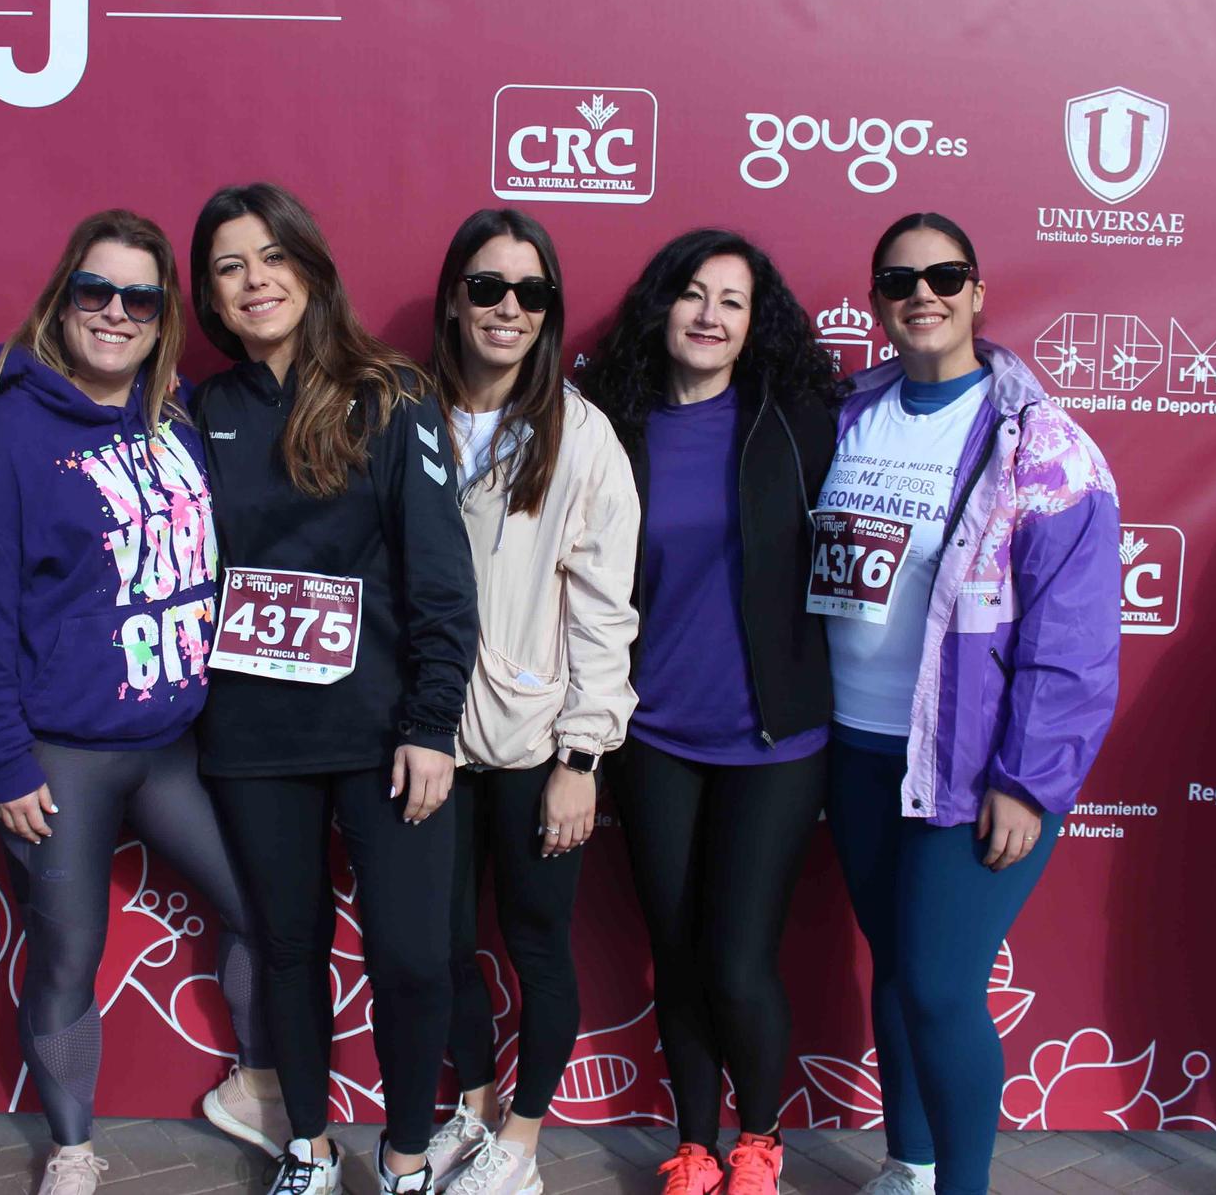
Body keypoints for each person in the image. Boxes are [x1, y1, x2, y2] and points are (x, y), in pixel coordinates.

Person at [0, 210, 282, 1195]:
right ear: (63, 298)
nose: (116, 313)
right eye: (97, 290)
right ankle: (73, 1148)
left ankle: (254, 1086)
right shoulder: (9, 435)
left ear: (162, 314)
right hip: (60, 755)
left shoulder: (171, 417)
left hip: (173, 740)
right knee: (66, 951)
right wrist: (1, 757)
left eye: (140, 297)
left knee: (267, 904)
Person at [818, 213, 1118, 1195]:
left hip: (971, 765)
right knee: (899, 974)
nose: (922, 293)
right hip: (859, 748)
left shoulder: (1040, 441)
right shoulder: (844, 414)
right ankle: (905, 1167)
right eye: (898, 277)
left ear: (977, 291)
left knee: (943, 986)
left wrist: (1027, 783)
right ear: (874, 301)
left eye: (944, 274)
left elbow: (1071, 641)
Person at [189, 183, 480, 1195]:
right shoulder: (199, 413)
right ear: (211, 297)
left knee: (409, 955)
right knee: (285, 948)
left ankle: (402, 1156)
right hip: (253, 740)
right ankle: (306, 1146)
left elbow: (441, 575)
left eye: (271, 256)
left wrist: (431, 723)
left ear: (310, 268)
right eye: (230, 266)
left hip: (383, 735)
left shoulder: (391, 394)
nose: (255, 280)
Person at [578, 230, 843, 1195]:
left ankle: (761, 1139)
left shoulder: (797, 420)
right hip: (652, 735)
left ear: (752, 323)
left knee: (736, 960)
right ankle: (694, 1145)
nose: (709, 314)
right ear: (663, 306)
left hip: (773, 738)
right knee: (678, 955)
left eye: (732, 300)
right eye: (693, 293)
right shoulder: (614, 424)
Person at [419, 210, 639, 1195]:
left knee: (536, 943)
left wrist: (580, 759)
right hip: (422, 742)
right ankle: (470, 1106)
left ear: (548, 310)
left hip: (531, 745)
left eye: (529, 291)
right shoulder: (403, 412)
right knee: (435, 944)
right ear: (453, 298)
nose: (506, 307)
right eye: (486, 286)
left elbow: (601, 611)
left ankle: (521, 1142)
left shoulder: (579, 435)